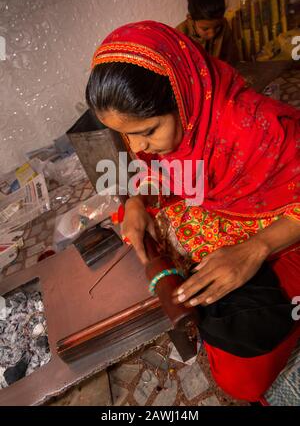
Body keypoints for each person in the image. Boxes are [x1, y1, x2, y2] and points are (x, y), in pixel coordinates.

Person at [85, 20, 300, 403]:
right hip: (224, 211)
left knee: (242, 378)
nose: (138, 147)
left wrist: (254, 250)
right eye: (126, 135)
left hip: (285, 228)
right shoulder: (180, 127)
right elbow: (162, 172)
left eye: (148, 131)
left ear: (183, 96)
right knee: (142, 228)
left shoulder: (253, 127)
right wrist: (137, 201)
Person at [176, 0, 238, 65]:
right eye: (205, 29)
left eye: (217, 27)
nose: (212, 34)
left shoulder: (224, 26)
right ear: (191, 19)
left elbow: (230, 57)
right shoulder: (179, 34)